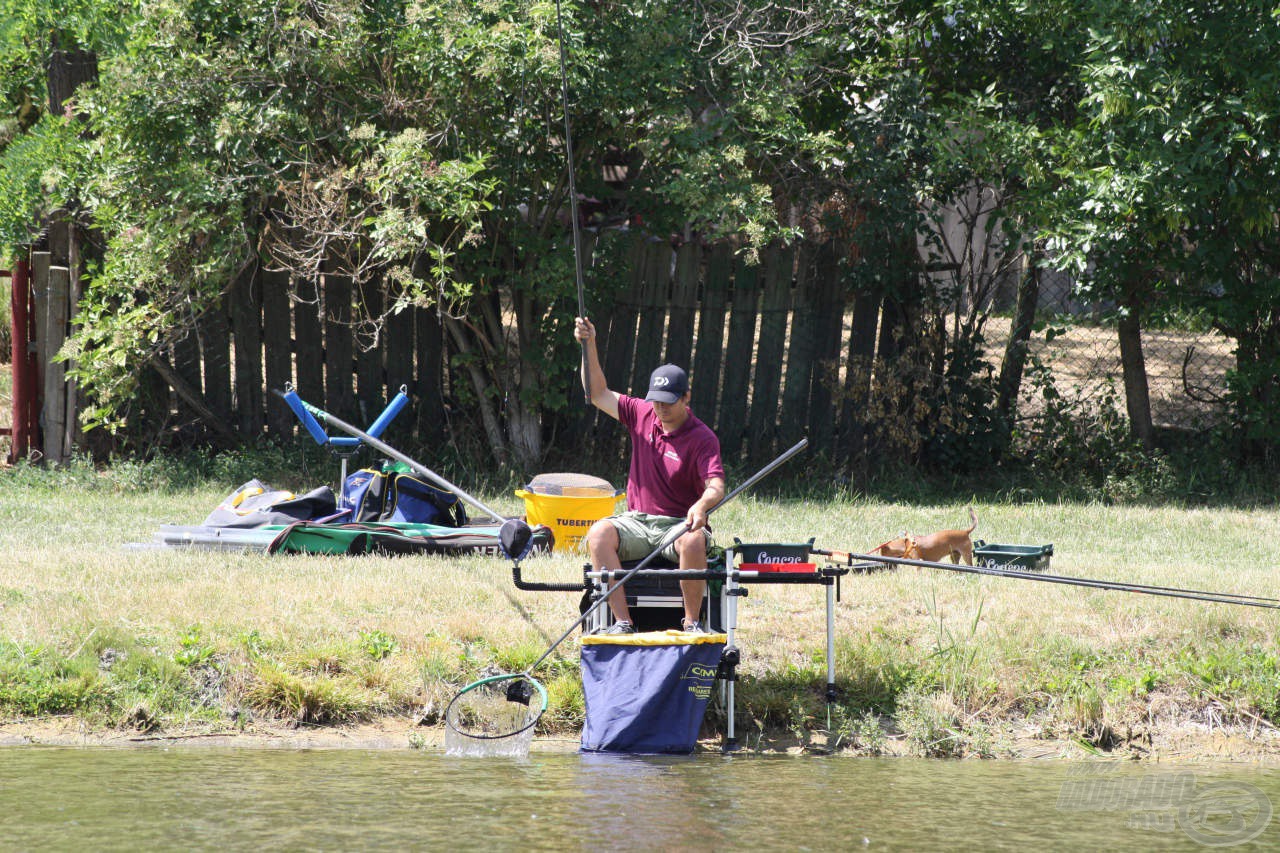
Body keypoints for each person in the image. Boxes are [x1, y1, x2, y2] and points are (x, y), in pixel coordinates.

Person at [574, 316, 726, 634]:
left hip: (677, 526)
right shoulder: (641, 413)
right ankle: (623, 622)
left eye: (668, 402)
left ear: (686, 398)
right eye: (655, 401)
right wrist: (589, 345)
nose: (660, 408)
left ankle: (692, 624)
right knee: (599, 533)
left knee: (695, 539)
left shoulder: (702, 438)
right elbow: (597, 393)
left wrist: (701, 506)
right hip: (637, 522)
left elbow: (716, 485)